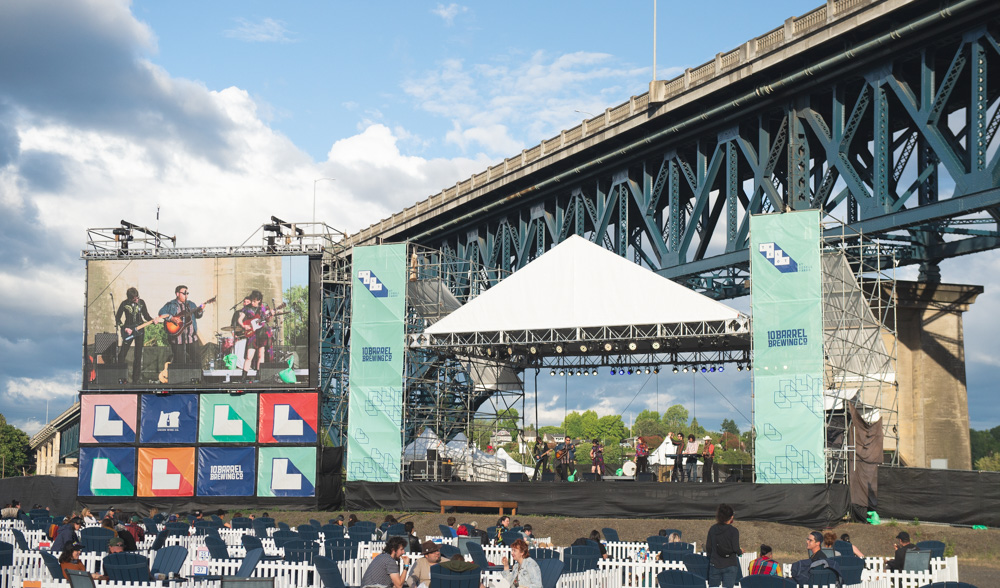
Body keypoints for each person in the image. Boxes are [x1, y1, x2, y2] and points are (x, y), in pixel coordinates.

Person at [115, 287, 162, 383]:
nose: (137, 300)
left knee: (138, 354)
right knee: (122, 353)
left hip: (140, 330)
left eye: (137, 297)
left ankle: (136, 379)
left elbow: (146, 315)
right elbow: (117, 318)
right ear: (129, 298)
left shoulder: (142, 302)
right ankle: (121, 377)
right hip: (128, 330)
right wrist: (124, 328)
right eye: (134, 299)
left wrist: (153, 320)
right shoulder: (124, 304)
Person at [158, 285, 205, 366]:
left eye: (187, 293)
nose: (186, 295)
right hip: (177, 339)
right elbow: (161, 313)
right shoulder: (171, 304)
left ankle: (197, 378)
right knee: (180, 363)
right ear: (177, 294)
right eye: (184, 293)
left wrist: (200, 310)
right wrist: (171, 318)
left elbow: (198, 315)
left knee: (197, 360)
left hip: (191, 338)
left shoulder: (191, 304)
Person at [705, 503, 742, 587]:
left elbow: (709, 547)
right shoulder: (734, 531)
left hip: (715, 563)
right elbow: (736, 548)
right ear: (731, 517)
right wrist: (740, 552)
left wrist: (711, 556)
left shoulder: (713, 529)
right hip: (730, 564)